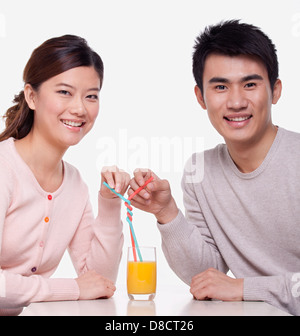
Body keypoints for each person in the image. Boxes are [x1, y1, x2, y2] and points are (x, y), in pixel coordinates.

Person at [128, 20, 300, 315]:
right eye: (220, 86)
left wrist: (244, 288)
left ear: (276, 90)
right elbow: (206, 278)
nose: (235, 101)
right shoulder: (200, 171)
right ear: (200, 97)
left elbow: (232, 287)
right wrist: (167, 213)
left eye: (250, 84)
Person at [0, 35, 129, 315]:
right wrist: (72, 288)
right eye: (64, 92)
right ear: (31, 97)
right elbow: (82, 287)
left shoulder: (74, 184)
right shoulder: (3, 169)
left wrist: (109, 203)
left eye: (91, 96)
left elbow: (99, 282)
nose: (80, 108)